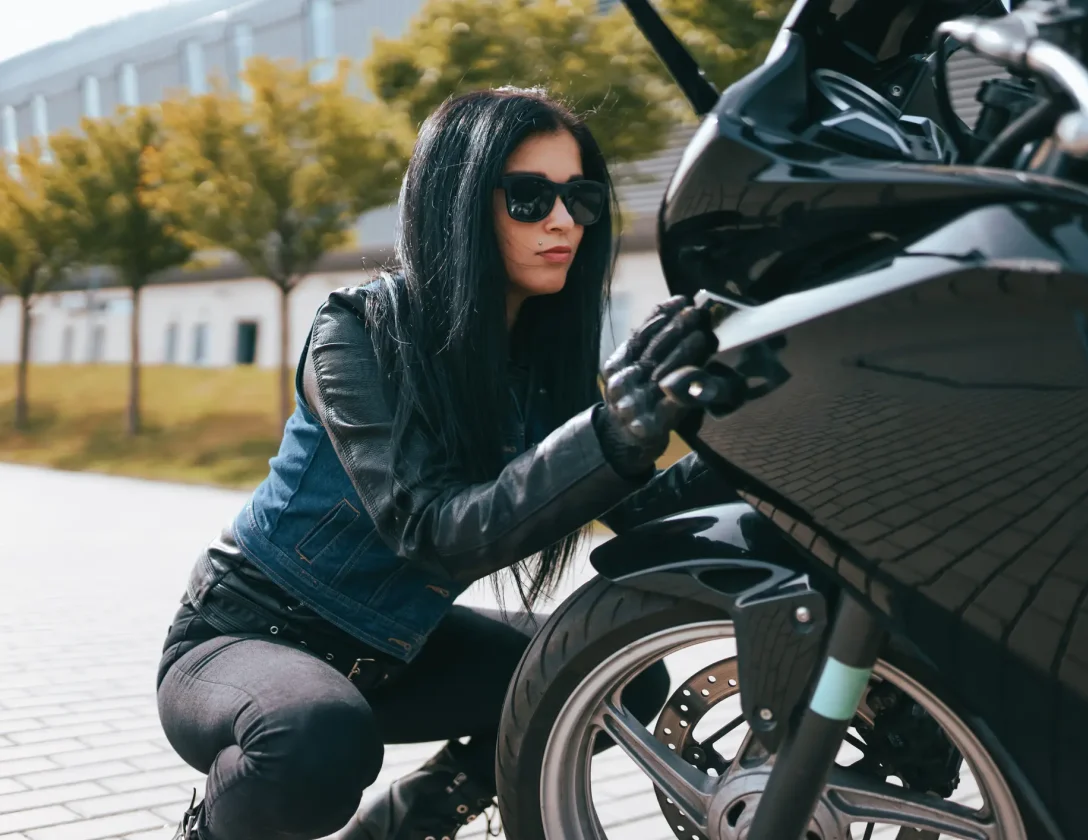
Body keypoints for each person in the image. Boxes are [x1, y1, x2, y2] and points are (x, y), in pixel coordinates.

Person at [156, 87, 734, 840]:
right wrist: (614, 430)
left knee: (618, 672)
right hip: (247, 637)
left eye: (581, 197)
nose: (564, 221)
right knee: (315, 740)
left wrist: (743, 424)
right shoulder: (357, 331)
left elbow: (646, 511)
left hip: (400, 651)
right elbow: (430, 528)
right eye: (529, 197)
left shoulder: (539, 367)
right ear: (457, 202)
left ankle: (405, 824)